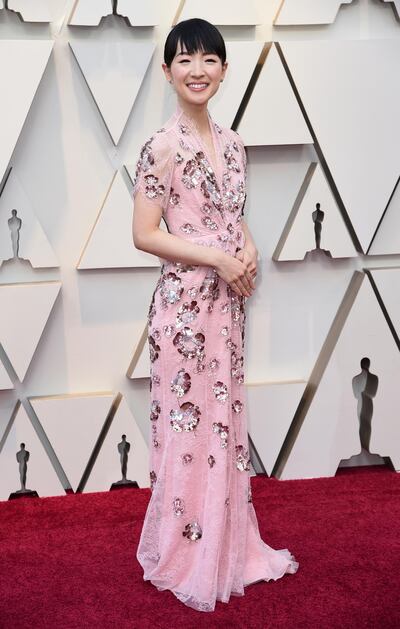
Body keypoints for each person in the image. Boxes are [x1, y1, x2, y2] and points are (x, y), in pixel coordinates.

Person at [132, 18, 298, 612]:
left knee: (223, 425)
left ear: (224, 70)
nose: (197, 70)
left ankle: (227, 543)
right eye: (185, 60)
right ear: (168, 71)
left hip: (228, 308)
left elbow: (235, 215)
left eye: (209, 59)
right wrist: (218, 260)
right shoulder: (161, 146)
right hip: (183, 310)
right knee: (187, 427)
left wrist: (247, 251)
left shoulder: (233, 143)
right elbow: (143, 235)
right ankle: (184, 550)